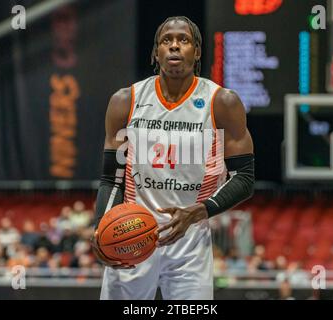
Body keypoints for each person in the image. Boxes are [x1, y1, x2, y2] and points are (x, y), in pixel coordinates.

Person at [91, 16, 255, 300]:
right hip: (131, 235)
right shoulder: (125, 101)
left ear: (197, 51)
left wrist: (200, 210)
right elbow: (112, 179)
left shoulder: (222, 102)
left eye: (184, 40)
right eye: (167, 40)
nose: (175, 47)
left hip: (190, 243)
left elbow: (244, 177)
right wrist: (101, 228)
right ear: (156, 52)